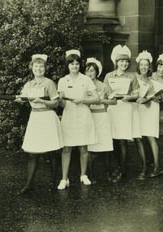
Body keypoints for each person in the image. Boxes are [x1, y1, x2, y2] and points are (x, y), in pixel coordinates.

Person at [16, 54, 64, 194]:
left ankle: (53, 182)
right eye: (36, 66)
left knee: (52, 151)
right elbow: (22, 97)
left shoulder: (49, 83)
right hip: (35, 118)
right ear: (32, 68)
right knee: (33, 153)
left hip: (48, 117)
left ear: (45, 68)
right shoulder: (29, 84)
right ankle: (29, 184)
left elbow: (55, 103)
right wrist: (20, 99)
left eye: (41, 66)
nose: (38, 69)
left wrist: (43, 101)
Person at [57, 49, 100, 190]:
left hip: (83, 115)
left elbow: (97, 98)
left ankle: (83, 175)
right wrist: (61, 101)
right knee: (67, 148)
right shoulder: (63, 81)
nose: (74, 66)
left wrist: (83, 100)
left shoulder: (86, 79)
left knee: (83, 147)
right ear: (67, 65)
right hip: (69, 115)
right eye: (71, 64)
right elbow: (61, 103)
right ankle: (64, 178)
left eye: (76, 63)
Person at [103, 45, 139, 182]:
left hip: (125, 109)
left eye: (126, 62)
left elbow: (136, 95)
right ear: (116, 62)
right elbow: (105, 93)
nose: (123, 64)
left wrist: (128, 97)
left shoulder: (132, 76)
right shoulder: (108, 76)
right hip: (113, 109)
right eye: (121, 61)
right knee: (114, 140)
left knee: (123, 140)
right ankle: (119, 166)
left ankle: (123, 171)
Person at [85, 58, 117, 184]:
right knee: (90, 148)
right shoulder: (83, 86)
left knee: (105, 147)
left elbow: (114, 101)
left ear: (97, 72)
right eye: (87, 71)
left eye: (92, 71)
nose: (90, 74)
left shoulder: (103, 86)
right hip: (89, 118)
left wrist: (102, 100)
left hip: (102, 118)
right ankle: (91, 174)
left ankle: (107, 172)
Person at [134, 50, 163, 178]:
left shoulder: (152, 82)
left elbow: (151, 102)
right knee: (138, 138)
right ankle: (144, 167)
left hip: (148, 110)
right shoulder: (133, 78)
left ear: (149, 67)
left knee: (151, 137)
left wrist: (147, 99)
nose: (144, 67)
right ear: (138, 66)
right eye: (141, 65)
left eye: (146, 65)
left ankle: (157, 166)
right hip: (136, 110)